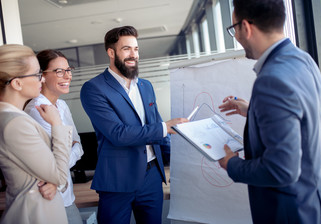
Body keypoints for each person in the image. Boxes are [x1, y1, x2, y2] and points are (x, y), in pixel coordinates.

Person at [217, 0, 321, 223]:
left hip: (291, 213)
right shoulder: (303, 60)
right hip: (316, 204)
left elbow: (281, 170)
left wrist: (232, 165)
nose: (238, 38)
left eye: (235, 29)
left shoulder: (271, 80)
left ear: (247, 27)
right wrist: (252, 110)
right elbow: (298, 121)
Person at [80, 25, 187, 224]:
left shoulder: (145, 86)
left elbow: (155, 125)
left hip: (152, 177)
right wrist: (165, 127)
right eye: (126, 49)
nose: (133, 54)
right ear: (111, 53)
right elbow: (117, 134)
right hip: (117, 181)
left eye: (136, 49)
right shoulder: (94, 89)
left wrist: (177, 166)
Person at [0, 44, 72, 224]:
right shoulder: (15, 123)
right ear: (17, 83)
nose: (41, 80)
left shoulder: (15, 117)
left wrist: (53, 180)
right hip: (36, 213)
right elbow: (59, 175)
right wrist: (56, 124)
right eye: (37, 74)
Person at [24, 49, 84, 224]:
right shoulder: (37, 110)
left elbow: (78, 146)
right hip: (48, 198)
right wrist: (68, 146)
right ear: (41, 76)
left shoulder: (62, 105)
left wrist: (68, 148)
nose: (67, 76)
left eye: (68, 69)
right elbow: (53, 161)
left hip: (66, 195)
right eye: (59, 71)